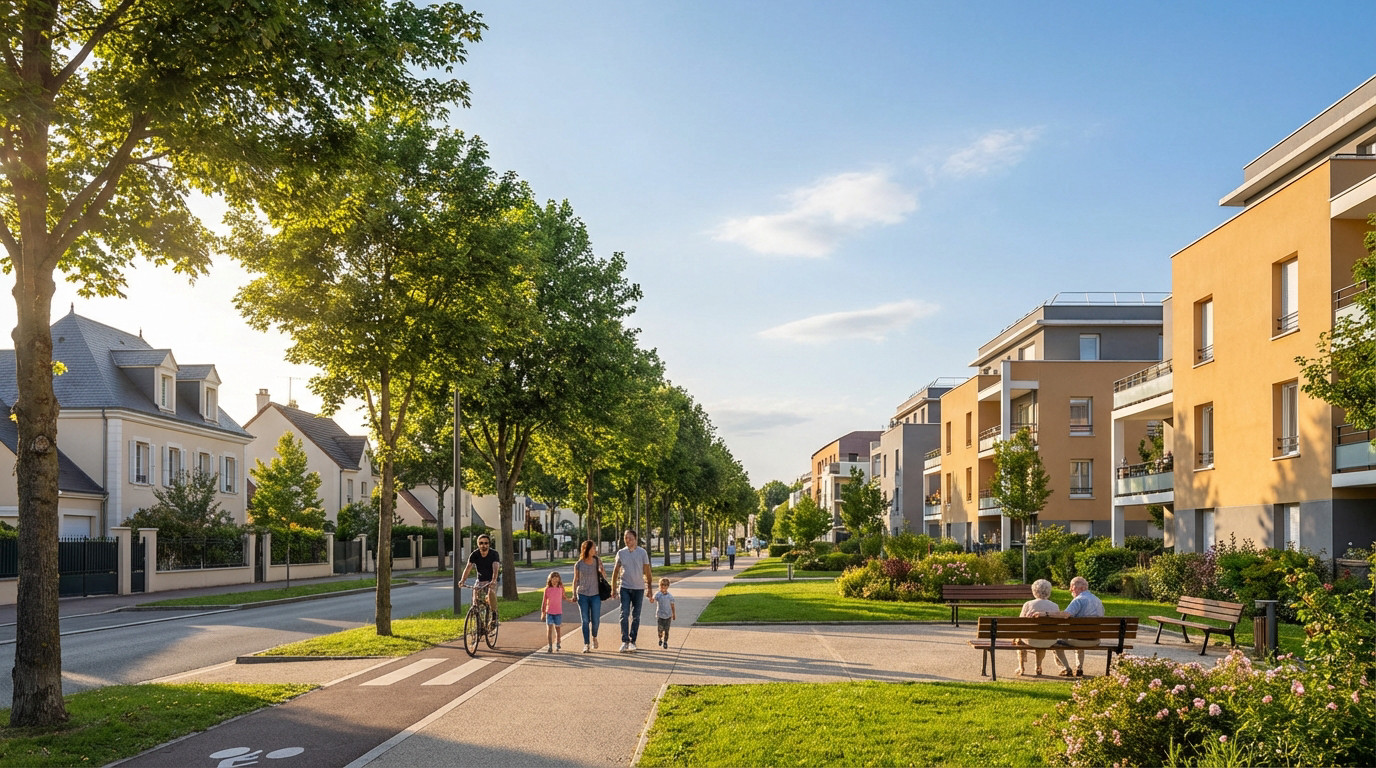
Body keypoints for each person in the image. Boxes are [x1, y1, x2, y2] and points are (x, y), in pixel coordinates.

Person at [1033, 575, 1106, 676]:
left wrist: (1045, 613)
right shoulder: (1098, 600)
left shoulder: (1079, 600)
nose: (1070, 589)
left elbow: (1065, 614)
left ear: (1078, 588)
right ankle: (1079, 667)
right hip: (1095, 639)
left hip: (1078, 640)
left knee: (1055, 642)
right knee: (1081, 634)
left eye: (1071, 587)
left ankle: (1065, 668)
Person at [611, 528, 652, 652]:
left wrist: (649, 587)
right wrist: (613, 588)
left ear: (635, 539)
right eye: (625, 538)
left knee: (636, 616)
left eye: (629, 538)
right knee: (624, 614)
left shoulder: (642, 553)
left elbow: (647, 571)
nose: (627, 540)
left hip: (639, 588)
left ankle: (632, 641)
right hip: (624, 587)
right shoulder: (621, 553)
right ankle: (625, 641)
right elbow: (616, 571)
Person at [1015, 579, 1060, 676]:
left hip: (1030, 639)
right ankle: (1038, 665)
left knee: (1020, 639)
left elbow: (1020, 623)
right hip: (1048, 640)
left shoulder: (1028, 604)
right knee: (1042, 636)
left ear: (1034, 591)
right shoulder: (1055, 606)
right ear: (1049, 591)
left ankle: (1021, 667)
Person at [570, 540, 605, 653]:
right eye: (593, 548)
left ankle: (594, 636)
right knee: (585, 621)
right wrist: (574, 594)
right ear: (587, 549)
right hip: (582, 595)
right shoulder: (579, 564)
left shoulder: (597, 561)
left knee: (595, 620)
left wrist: (602, 571)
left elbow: (603, 576)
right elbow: (575, 580)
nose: (595, 550)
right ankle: (586, 644)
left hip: (595, 595)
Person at [459, 533, 500, 626]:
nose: (484, 545)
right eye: (481, 543)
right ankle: (479, 622)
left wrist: (493, 581)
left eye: (486, 543)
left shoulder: (494, 554)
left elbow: (496, 567)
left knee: (490, 593)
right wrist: (462, 580)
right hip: (480, 580)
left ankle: (494, 615)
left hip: (491, 580)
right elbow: (468, 567)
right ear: (478, 544)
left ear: (489, 544)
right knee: (475, 598)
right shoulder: (474, 554)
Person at [540, 571, 572, 653]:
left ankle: (558, 642)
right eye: (553, 578)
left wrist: (570, 600)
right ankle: (550, 646)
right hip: (549, 612)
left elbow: (564, 597)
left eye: (556, 578)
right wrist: (543, 612)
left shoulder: (560, 588)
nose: (555, 580)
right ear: (550, 579)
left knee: (557, 629)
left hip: (558, 612)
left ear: (559, 579)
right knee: (549, 629)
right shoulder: (547, 589)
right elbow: (544, 601)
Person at [650, 577, 676, 649]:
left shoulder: (670, 596)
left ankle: (665, 642)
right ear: (659, 585)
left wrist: (673, 614)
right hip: (660, 616)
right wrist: (650, 597)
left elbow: (672, 606)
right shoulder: (658, 594)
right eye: (662, 585)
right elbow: (653, 600)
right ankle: (660, 638)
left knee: (667, 630)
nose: (663, 587)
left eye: (665, 585)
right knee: (660, 630)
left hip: (668, 616)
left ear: (668, 586)